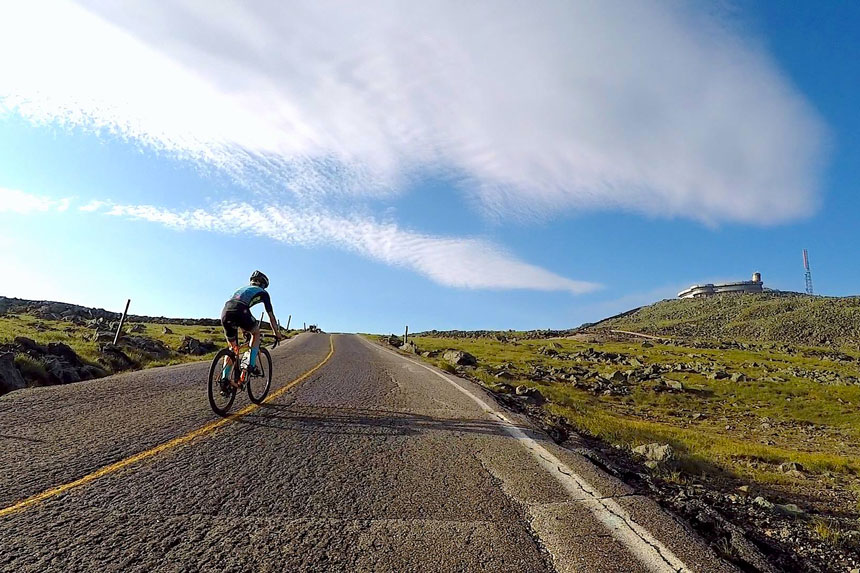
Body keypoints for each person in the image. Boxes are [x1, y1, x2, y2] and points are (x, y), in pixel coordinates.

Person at [220, 270, 282, 382]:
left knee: (233, 349)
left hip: (225, 311)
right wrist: (277, 333)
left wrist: (244, 329)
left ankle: (224, 380)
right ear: (263, 285)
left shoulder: (242, 289)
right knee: (256, 332)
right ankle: (251, 365)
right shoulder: (263, 293)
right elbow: (271, 317)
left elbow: (235, 310)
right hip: (241, 310)